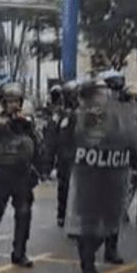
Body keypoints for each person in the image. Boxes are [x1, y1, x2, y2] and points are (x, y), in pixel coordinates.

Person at [65, 79, 137, 273]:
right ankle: (88, 269)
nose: (106, 97)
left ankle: (102, 254)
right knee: (90, 227)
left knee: (108, 223)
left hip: (111, 176)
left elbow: (129, 141)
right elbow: (78, 142)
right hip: (88, 176)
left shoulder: (114, 116)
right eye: (100, 94)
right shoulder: (81, 117)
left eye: (106, 93)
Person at [0, 82, 40, 268]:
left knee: (24, 212)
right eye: (9, 102)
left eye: (16, 101)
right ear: (2, 102)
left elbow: (35, 142)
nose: (13, 105)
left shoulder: (26, 120)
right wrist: (2, 121)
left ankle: (19, 252)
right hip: (0, 171)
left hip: (21, 171)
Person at [56, 80, 78, 228]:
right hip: (66, 157)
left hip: (80, 155)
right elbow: (58, 136)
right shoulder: (63, 115)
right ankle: (62, 214)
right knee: (64, 185)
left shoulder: (84, 113)